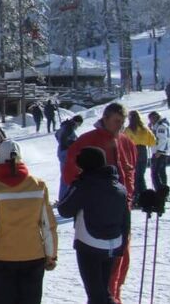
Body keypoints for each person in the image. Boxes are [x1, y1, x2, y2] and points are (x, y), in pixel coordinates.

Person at [63, 103, 136, 302]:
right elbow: (71, 172)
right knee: (97, 275)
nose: (120, 126)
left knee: (120, 261)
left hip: (120, 211)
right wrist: (88, 191)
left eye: (123, 122)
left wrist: (130, 195)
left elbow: (132, 172)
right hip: (93, 214)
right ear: (105, 118)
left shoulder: (126, 142)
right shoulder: (87, 141)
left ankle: (114, 297)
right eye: (117, 122)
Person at [0, 140, 58, 304]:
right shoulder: (38, 185)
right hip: (33, 256)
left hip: (2, 259)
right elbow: (48, 225)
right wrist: (51, 254)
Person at [57, 147, 130, 304]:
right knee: (104, 289)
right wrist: (121, 246)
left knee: (95, 293)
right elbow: (126, 219)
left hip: (89, 242)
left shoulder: (84, 185)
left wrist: (75, 185)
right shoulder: (118, 186)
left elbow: (64, 209)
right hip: (113, 242)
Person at [123, 111, 156, 206]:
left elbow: (123, 141)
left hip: (132, 151)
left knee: (135, 175)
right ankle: (144, 194)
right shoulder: (144, 129)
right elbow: (153, 141)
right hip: (143, 151)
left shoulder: (128, 130)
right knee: (141, 174)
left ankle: (136, 195)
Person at [55, 115, 83, 201]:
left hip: (62, 152)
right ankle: (64, 198)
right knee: (68, 175)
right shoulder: (69, 127)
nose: (78, 127)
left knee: (66, 175)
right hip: (66, 153)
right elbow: (65, 140)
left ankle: (65, 197)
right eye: (79, 124)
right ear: (77, 122)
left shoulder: (65, 126)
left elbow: (57, 135)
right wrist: (75, 143)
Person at [148, 111, 170, 195]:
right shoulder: (157, 126)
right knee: (161, 172)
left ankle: (160, 191)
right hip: (160, 152)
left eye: (151, 119)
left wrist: (159, 151)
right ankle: (164, 191)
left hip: (160, 152)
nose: (150, 121)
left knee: (155, 173)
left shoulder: (161, 126)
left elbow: (162, 139)